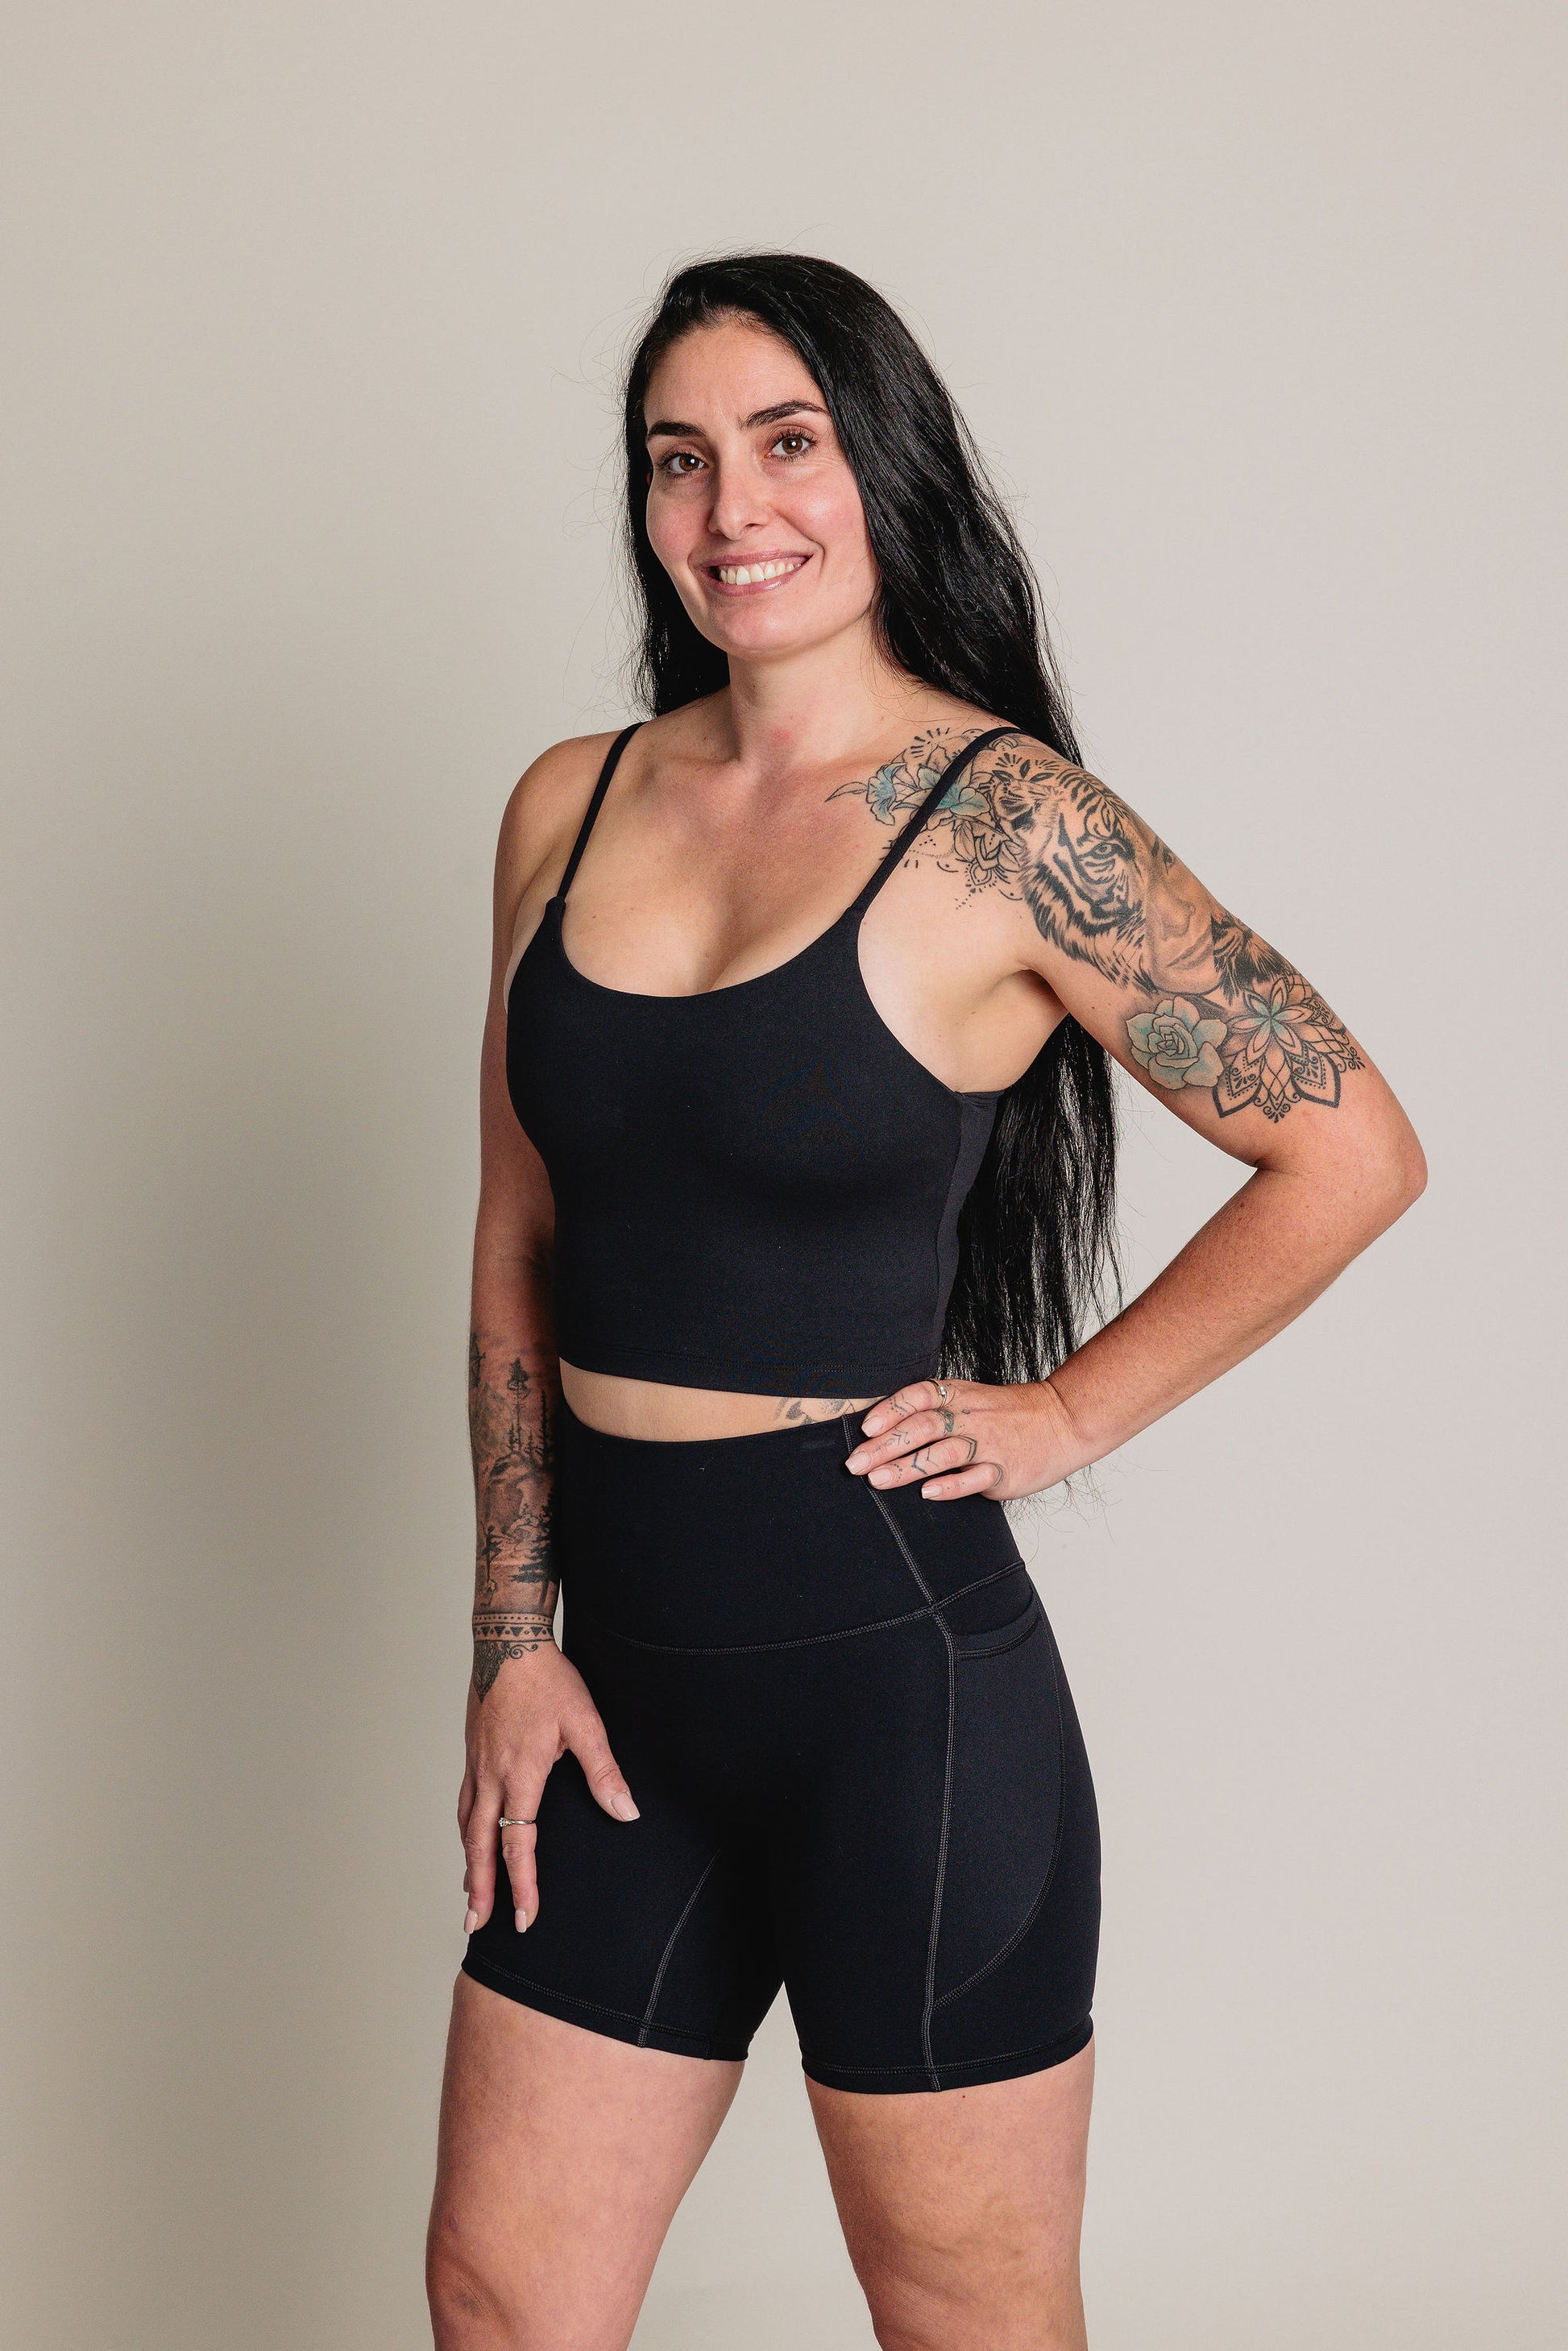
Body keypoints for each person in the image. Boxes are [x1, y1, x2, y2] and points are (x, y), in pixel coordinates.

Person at [425, 253, 1425, 2351]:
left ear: (883, 467)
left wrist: (1067, 1411)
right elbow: (517, 1241)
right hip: (618, 1699)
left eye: (786, 443)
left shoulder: (1010, 828)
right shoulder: (565, 805)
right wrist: (514, 1638)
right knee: (504, 2301)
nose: (732, 509)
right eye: (677, 459)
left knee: (962, 2313)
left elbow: (1350, 1149)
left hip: (897, 1698)